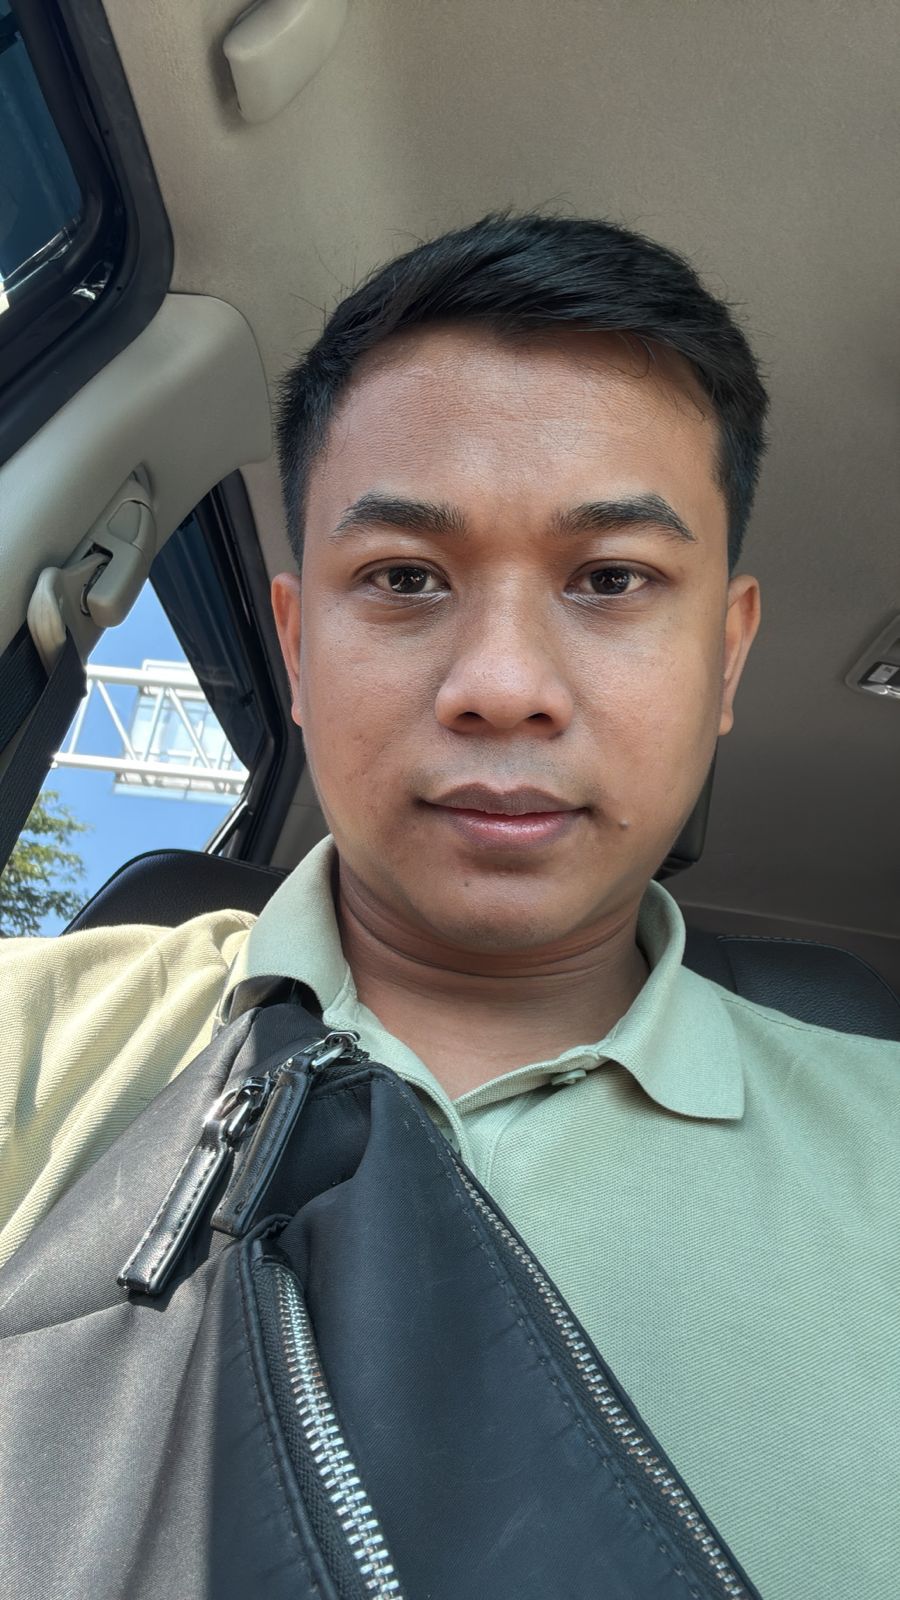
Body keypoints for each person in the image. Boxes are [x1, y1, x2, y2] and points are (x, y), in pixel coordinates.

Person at [1, 212, 897, 1600]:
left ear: (726, 661)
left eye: (611, 580)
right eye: (405, 579)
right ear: (297, 647)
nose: (502, 685)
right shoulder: (35, 1045)